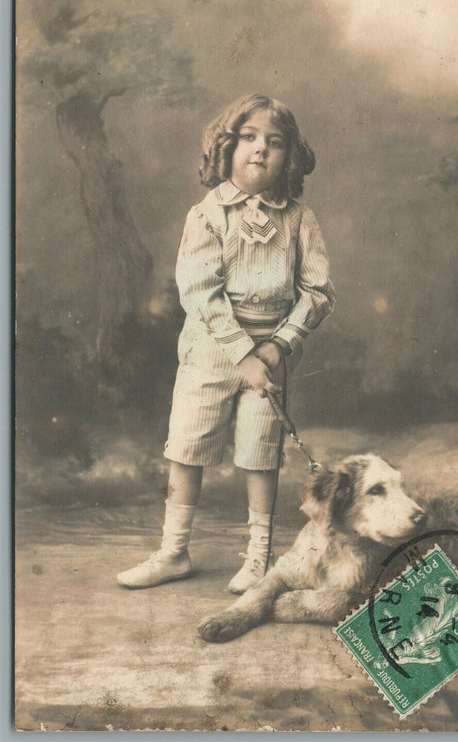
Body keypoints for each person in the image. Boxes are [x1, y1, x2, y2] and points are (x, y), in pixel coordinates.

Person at [117, 93, 335, 593]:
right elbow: (199, 290)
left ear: (290, 156)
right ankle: (174, 551)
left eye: (275, 142)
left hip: (272, 349)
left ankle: (258, 559)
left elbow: (319, 291)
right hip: (211, 347)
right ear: (226, 146)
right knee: (187, 444)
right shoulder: (208, 214)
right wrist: (241, 352)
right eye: (249, 138)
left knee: (261, 451)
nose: (261, 150)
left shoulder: (299, 218)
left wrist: (277, 347)